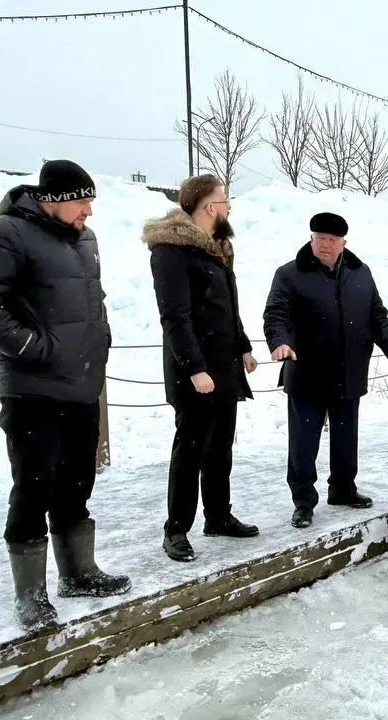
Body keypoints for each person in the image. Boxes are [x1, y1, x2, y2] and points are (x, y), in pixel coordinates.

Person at [0, 159, 130, 632]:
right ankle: (30, 594)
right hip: (31, 387)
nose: (89, 211)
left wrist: (101, 342)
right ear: (54, 200)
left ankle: (78, 572)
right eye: (82, 201)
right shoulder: (5, 232)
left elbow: (90, 301)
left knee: (77, 480)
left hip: (80, 383)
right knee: (34, 486)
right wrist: (34, 348)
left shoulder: (83, 239)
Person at [263, 212, 388, 529]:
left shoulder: (361, 273)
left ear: (343, 243)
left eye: (332, 240)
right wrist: (279, 342)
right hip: (307, 374)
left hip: (349, 371)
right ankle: (303, 501)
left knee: (346, 438)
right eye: (320, 238)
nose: (325, 245)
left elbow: (377, 316)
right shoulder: (290, 274)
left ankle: (343, 489)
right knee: (303, 443)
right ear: (311, 238)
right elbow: (276, 315)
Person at [144, 174, 260, 563]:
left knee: (221, 446)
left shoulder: (219, 247)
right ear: (210, 207)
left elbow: (229, 305)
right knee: (191, 449)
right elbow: (174, 316)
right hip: (192, 370)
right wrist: (194, 367)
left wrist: (242, 346)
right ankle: (175, 529)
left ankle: (218, 516)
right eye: (224, 201)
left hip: (224, 367)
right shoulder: (171, 250)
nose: (228, 207)